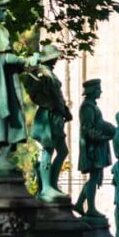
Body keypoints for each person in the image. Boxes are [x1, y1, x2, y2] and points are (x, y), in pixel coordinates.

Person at [0, 0, 37, 172]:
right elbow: (6, 57)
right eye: (3, 10)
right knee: (6, 119)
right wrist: (27, 61)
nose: (5, 14)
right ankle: (3, 158)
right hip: (1, 87)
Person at [23, 45, 72, 202]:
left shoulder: (48, 73)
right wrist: (60, 108)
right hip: (47, 116)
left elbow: (58, 96)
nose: (57, 59)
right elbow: (43, 94)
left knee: (62, 151)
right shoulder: (42, 74)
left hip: (55, 116)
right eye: (55, 57)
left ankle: (52, 183)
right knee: (48, 150)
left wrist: (65, 110)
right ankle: (46, 187)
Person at [75, 79, 116, 219]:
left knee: (95, 177)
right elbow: (88, 129)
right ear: (92, 91)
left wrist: (110, 128)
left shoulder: (92, 106)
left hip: (97, 147)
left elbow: (98, 123)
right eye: (98, 89)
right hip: (93, 148)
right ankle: (90, 208)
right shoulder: (87, 107)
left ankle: (80, 203)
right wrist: (103, 137)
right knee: (94, 177)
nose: (100, 91)